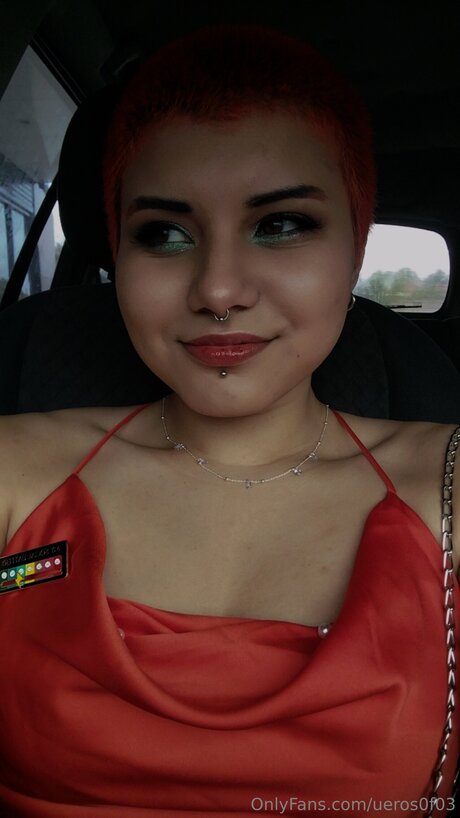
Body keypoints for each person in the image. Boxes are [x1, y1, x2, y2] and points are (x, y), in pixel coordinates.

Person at [0, 23, 459, 818]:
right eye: (164, 234)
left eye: (280, 224)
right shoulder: (15, 470)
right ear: (117, 255)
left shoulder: (448, 487)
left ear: (354, 251)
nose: (218, 289)